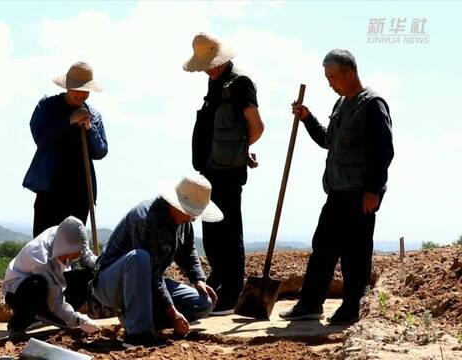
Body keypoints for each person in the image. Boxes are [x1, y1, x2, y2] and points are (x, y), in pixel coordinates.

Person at [279, 49, 394, 325]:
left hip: (360, 195)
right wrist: (307, 117)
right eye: (327, 78)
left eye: (333, 77)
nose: (330, 83)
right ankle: (310, 304)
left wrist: (374, 190)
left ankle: (352, 307)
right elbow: (327, 141)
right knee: (323, 249)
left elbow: (384, 151)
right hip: (336, 193)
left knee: (355, 255)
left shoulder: (373, 104)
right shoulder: (340, 105)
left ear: (350, 73)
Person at [183, 32, 265, 315]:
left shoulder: (241, 83)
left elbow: (256, 126)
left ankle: (232, 293)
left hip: (228, 173)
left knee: (230, 232)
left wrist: (241, 151)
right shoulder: (214, 82)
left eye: (213, 63)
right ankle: (218, 282)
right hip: (208, 170)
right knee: (212, 231)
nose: (210, 69)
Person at [91, 174, 221, 347]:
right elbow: (152, 273)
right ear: (176, 204)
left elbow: (188, 250)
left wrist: (198, 279)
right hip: (111, 285)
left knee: (203, 303)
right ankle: (138, 334)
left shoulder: (183, 221)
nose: (193, 218)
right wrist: (173, 313)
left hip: (147, 284)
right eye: (191, 212)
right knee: (140, 258)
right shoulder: (146, 218)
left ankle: (138, 316)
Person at [22, 61, 108, 238]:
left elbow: (101, 152)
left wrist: (90, 129)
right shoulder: (47, 107)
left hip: (81, 192)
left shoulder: (93, 115)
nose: (81, 94)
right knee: (44, 243)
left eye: (85, 91)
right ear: (67, 87)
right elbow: (41, 139)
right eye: (77, 89)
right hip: (50, 190)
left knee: (72, 246)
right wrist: (69, 121)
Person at [2, 216, 101, 340]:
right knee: (37, 285)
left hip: (50, 284)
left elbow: (86, 255)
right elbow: (55, 302)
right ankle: (18, 325)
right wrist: (77, 318)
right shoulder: (41, 258)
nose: (79, 255)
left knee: (90, 276)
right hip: (19, 291)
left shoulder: (65, 235)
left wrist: (102, 264)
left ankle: (52, 316)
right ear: (66, 247)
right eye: (76, 251)